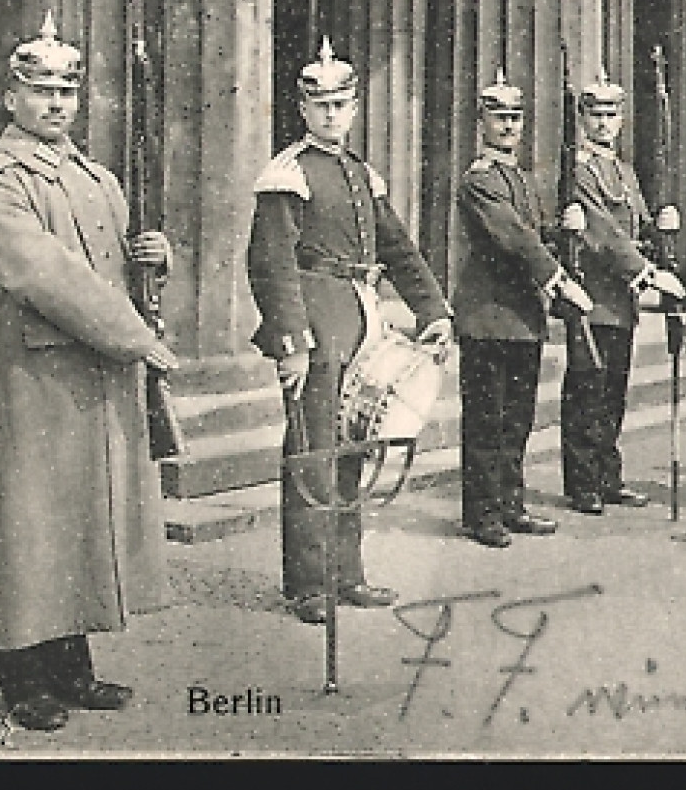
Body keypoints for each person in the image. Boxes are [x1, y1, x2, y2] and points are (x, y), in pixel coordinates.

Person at [0, 11, 177, 731]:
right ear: (10, 97)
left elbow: (117, 261)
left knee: (77, 521)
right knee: (24, 527)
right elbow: (47, 274)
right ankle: (22, 679)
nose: (56, 104)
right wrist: (134, 336)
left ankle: (72, 667)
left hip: (89, 376)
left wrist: (157, 254)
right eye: (40, 91)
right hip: (30, 378)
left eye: (66, 93)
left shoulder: (97, 177)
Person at [247, 39, 452, 623]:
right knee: (313, 450)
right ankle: (309, 585)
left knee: (355, 444)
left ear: (355, 107)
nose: (331, 115)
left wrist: (433, 309)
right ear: (303, 109)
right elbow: (270, 264)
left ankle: (347, 573)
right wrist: (291, 341)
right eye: (320, 106)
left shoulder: (361, 174)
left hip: (364, 319)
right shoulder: (288, 174)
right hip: (316, 321)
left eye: (340, 105)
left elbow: (398, 249)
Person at [453, 70, 594, 548]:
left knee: (517, 418)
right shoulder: (479, 181)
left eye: (515, 117)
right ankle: (481, 513)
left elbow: (535, 232)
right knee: (487, 420)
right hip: (488, 315)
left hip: (523, 318)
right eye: (499, 118)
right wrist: (558, 278)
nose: (509, 126)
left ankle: (510, 503)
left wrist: (565, 226)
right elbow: (512, 236)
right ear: (482, 123)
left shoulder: (523, 179)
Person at [560, 70, 686, 515]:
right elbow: (604, 233)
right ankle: (583, 483)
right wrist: (647, 272)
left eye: (611, 114)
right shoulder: (578, 170)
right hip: (592, 298)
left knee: (613, 393)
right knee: (587, 394)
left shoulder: (625, 171)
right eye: (595, 114)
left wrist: (661, 224)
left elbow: (635, 226)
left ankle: (608, 476)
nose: (604, 122)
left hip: (621, 302)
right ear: (581, 117)